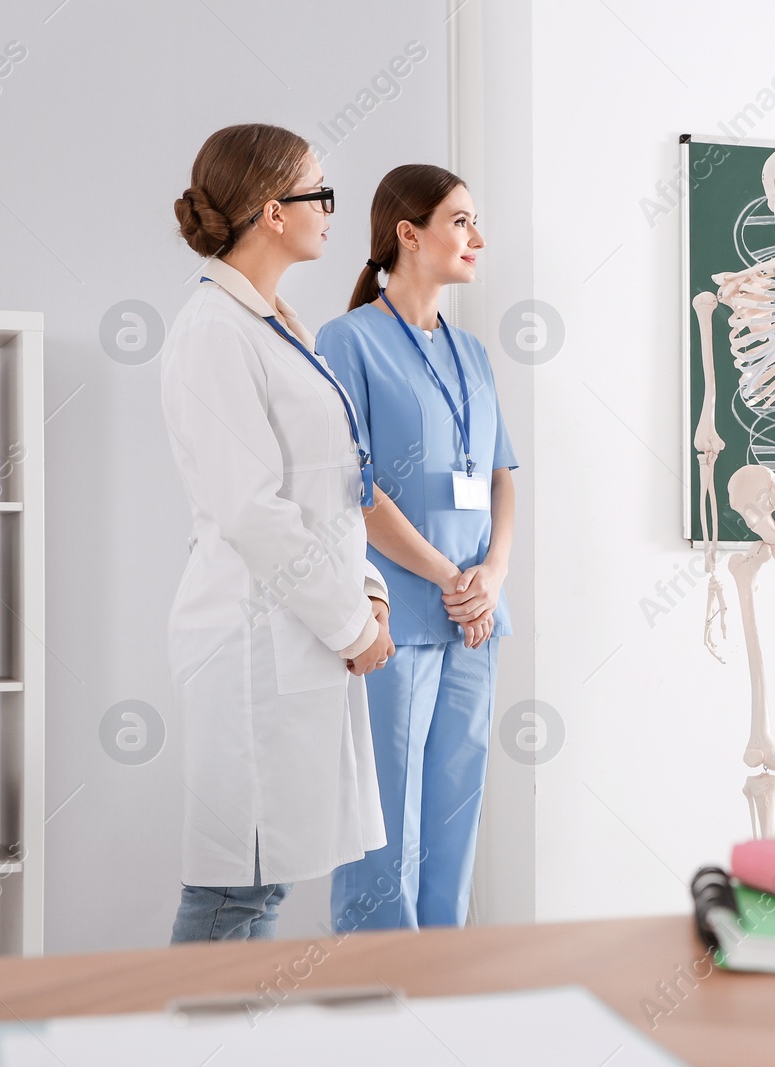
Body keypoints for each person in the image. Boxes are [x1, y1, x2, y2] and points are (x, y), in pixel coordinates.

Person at [164, 123, 395, 941]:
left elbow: (332, 485)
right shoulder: (212, 331)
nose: (332, 211)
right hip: (253, 646)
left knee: (260, 887)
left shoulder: (271, 323)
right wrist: (350, 622)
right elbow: (252, 508)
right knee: (236, 890)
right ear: (272, 211)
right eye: (320, 195)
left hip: (297, 635)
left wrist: (368, 592)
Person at [317, 164, 517, 931]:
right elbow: (355, 489)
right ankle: (377, 1007)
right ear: (408, 232)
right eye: (461, 220)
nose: (477, 237)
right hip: (394, 622)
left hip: (474, 622)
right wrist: (448, 578)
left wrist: (491, 576)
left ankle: (442, 993)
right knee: (383, 828)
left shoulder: (472, 352)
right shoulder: (348, 340)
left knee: (453, 824)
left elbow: (501, 475)